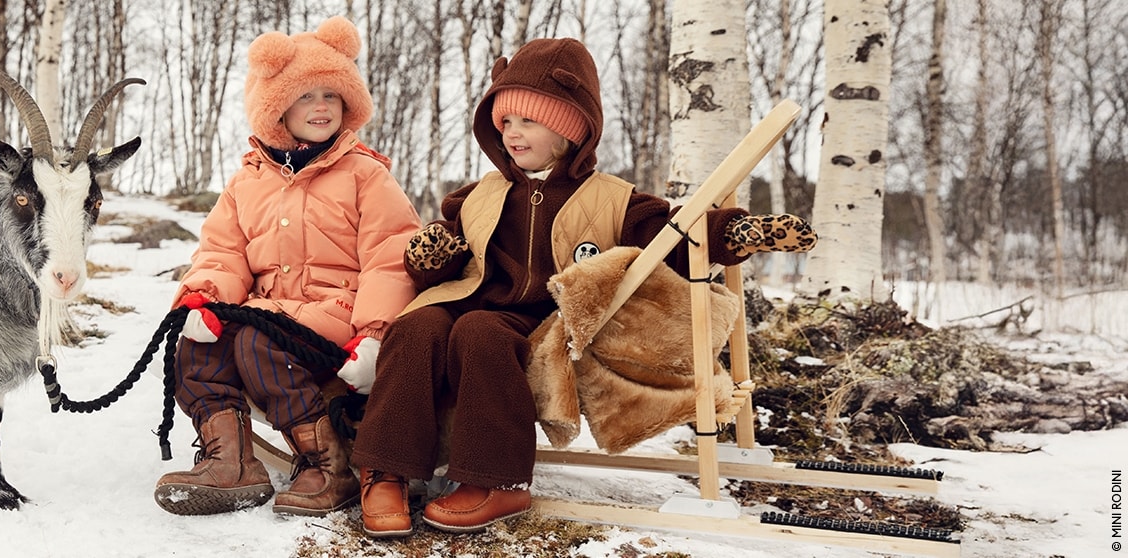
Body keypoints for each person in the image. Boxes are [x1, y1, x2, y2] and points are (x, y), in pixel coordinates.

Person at [344, 38, 817, 538]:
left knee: (481, 333)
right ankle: (387, 468)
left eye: (529, 121)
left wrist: (732, 233)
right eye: (505, 122)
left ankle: (498, 481)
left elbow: (675, 238)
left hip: (544, 320)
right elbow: (451, 254)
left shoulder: (613, 200)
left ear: (571, 129)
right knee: (417, 327)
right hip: (469, 297)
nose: (512, 133)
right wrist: (433, 258)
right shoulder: (480, 194)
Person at [152, 16, 422, 518]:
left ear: (349, 105)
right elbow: (222, 251)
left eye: (332, 96)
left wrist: (376, 332)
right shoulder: (247, 181)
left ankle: (327, 463)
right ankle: (230, 461)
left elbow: (390, 256)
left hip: (337, 312)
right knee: (197, 345)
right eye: (305, 96)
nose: (321, 106)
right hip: (268, 308)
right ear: (276, 108)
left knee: (260, 343)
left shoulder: (365, 174)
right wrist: (204, 297)